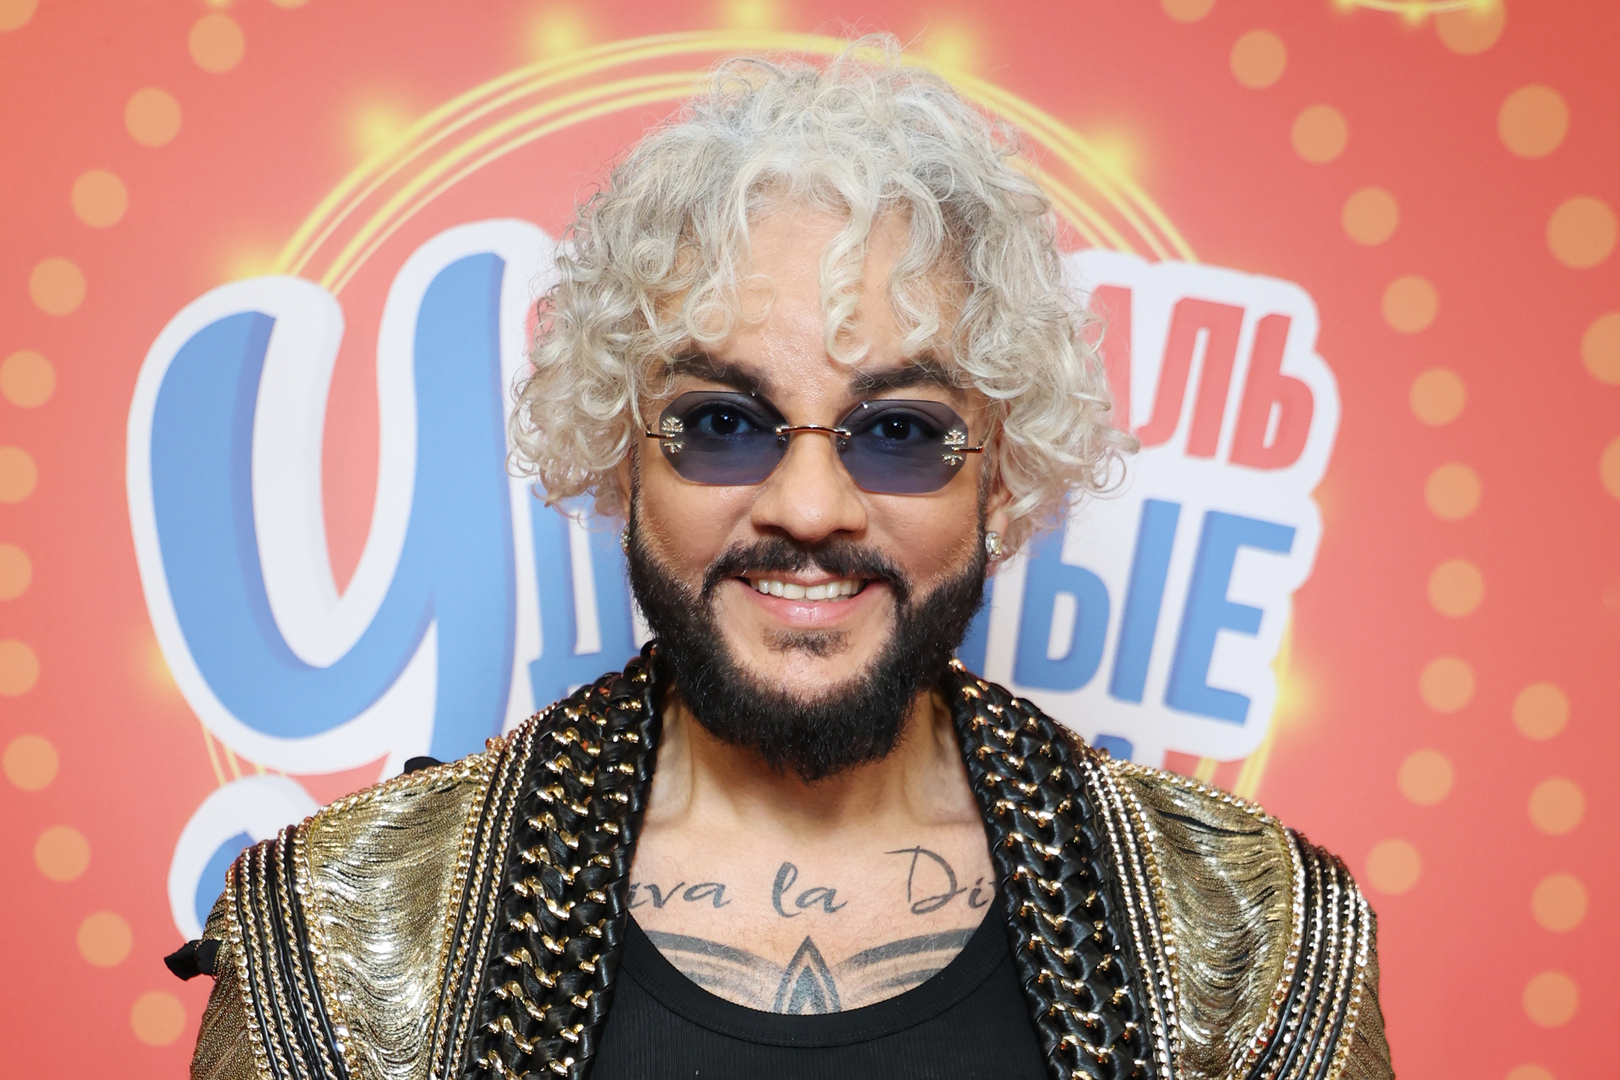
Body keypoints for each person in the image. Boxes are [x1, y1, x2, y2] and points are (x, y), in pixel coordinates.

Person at [177, 38, 1391, 1080]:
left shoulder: (1252, 945)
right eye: (721, 423)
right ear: (620, 456)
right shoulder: (345, 944)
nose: (809, 508)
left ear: (1004, 470)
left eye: (900, 433)